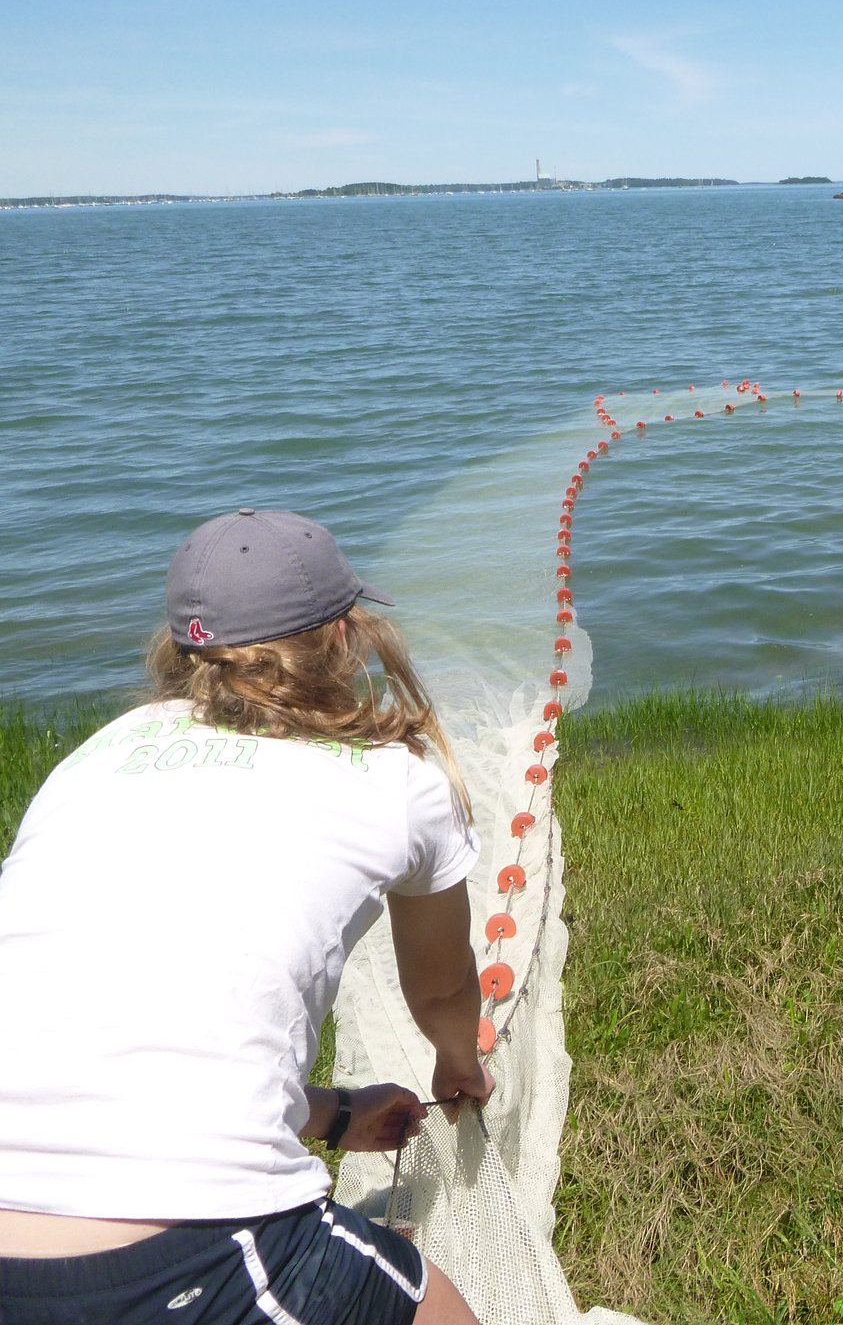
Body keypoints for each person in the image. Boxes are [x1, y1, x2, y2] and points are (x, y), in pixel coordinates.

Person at [0, 508, 493, 1325]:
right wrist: (458, 1064)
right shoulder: (403, 782)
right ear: (344, 636)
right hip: (188, 1250)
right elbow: (442, 994)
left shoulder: (98, 751)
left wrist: (331, 1113)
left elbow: (118, 1031)